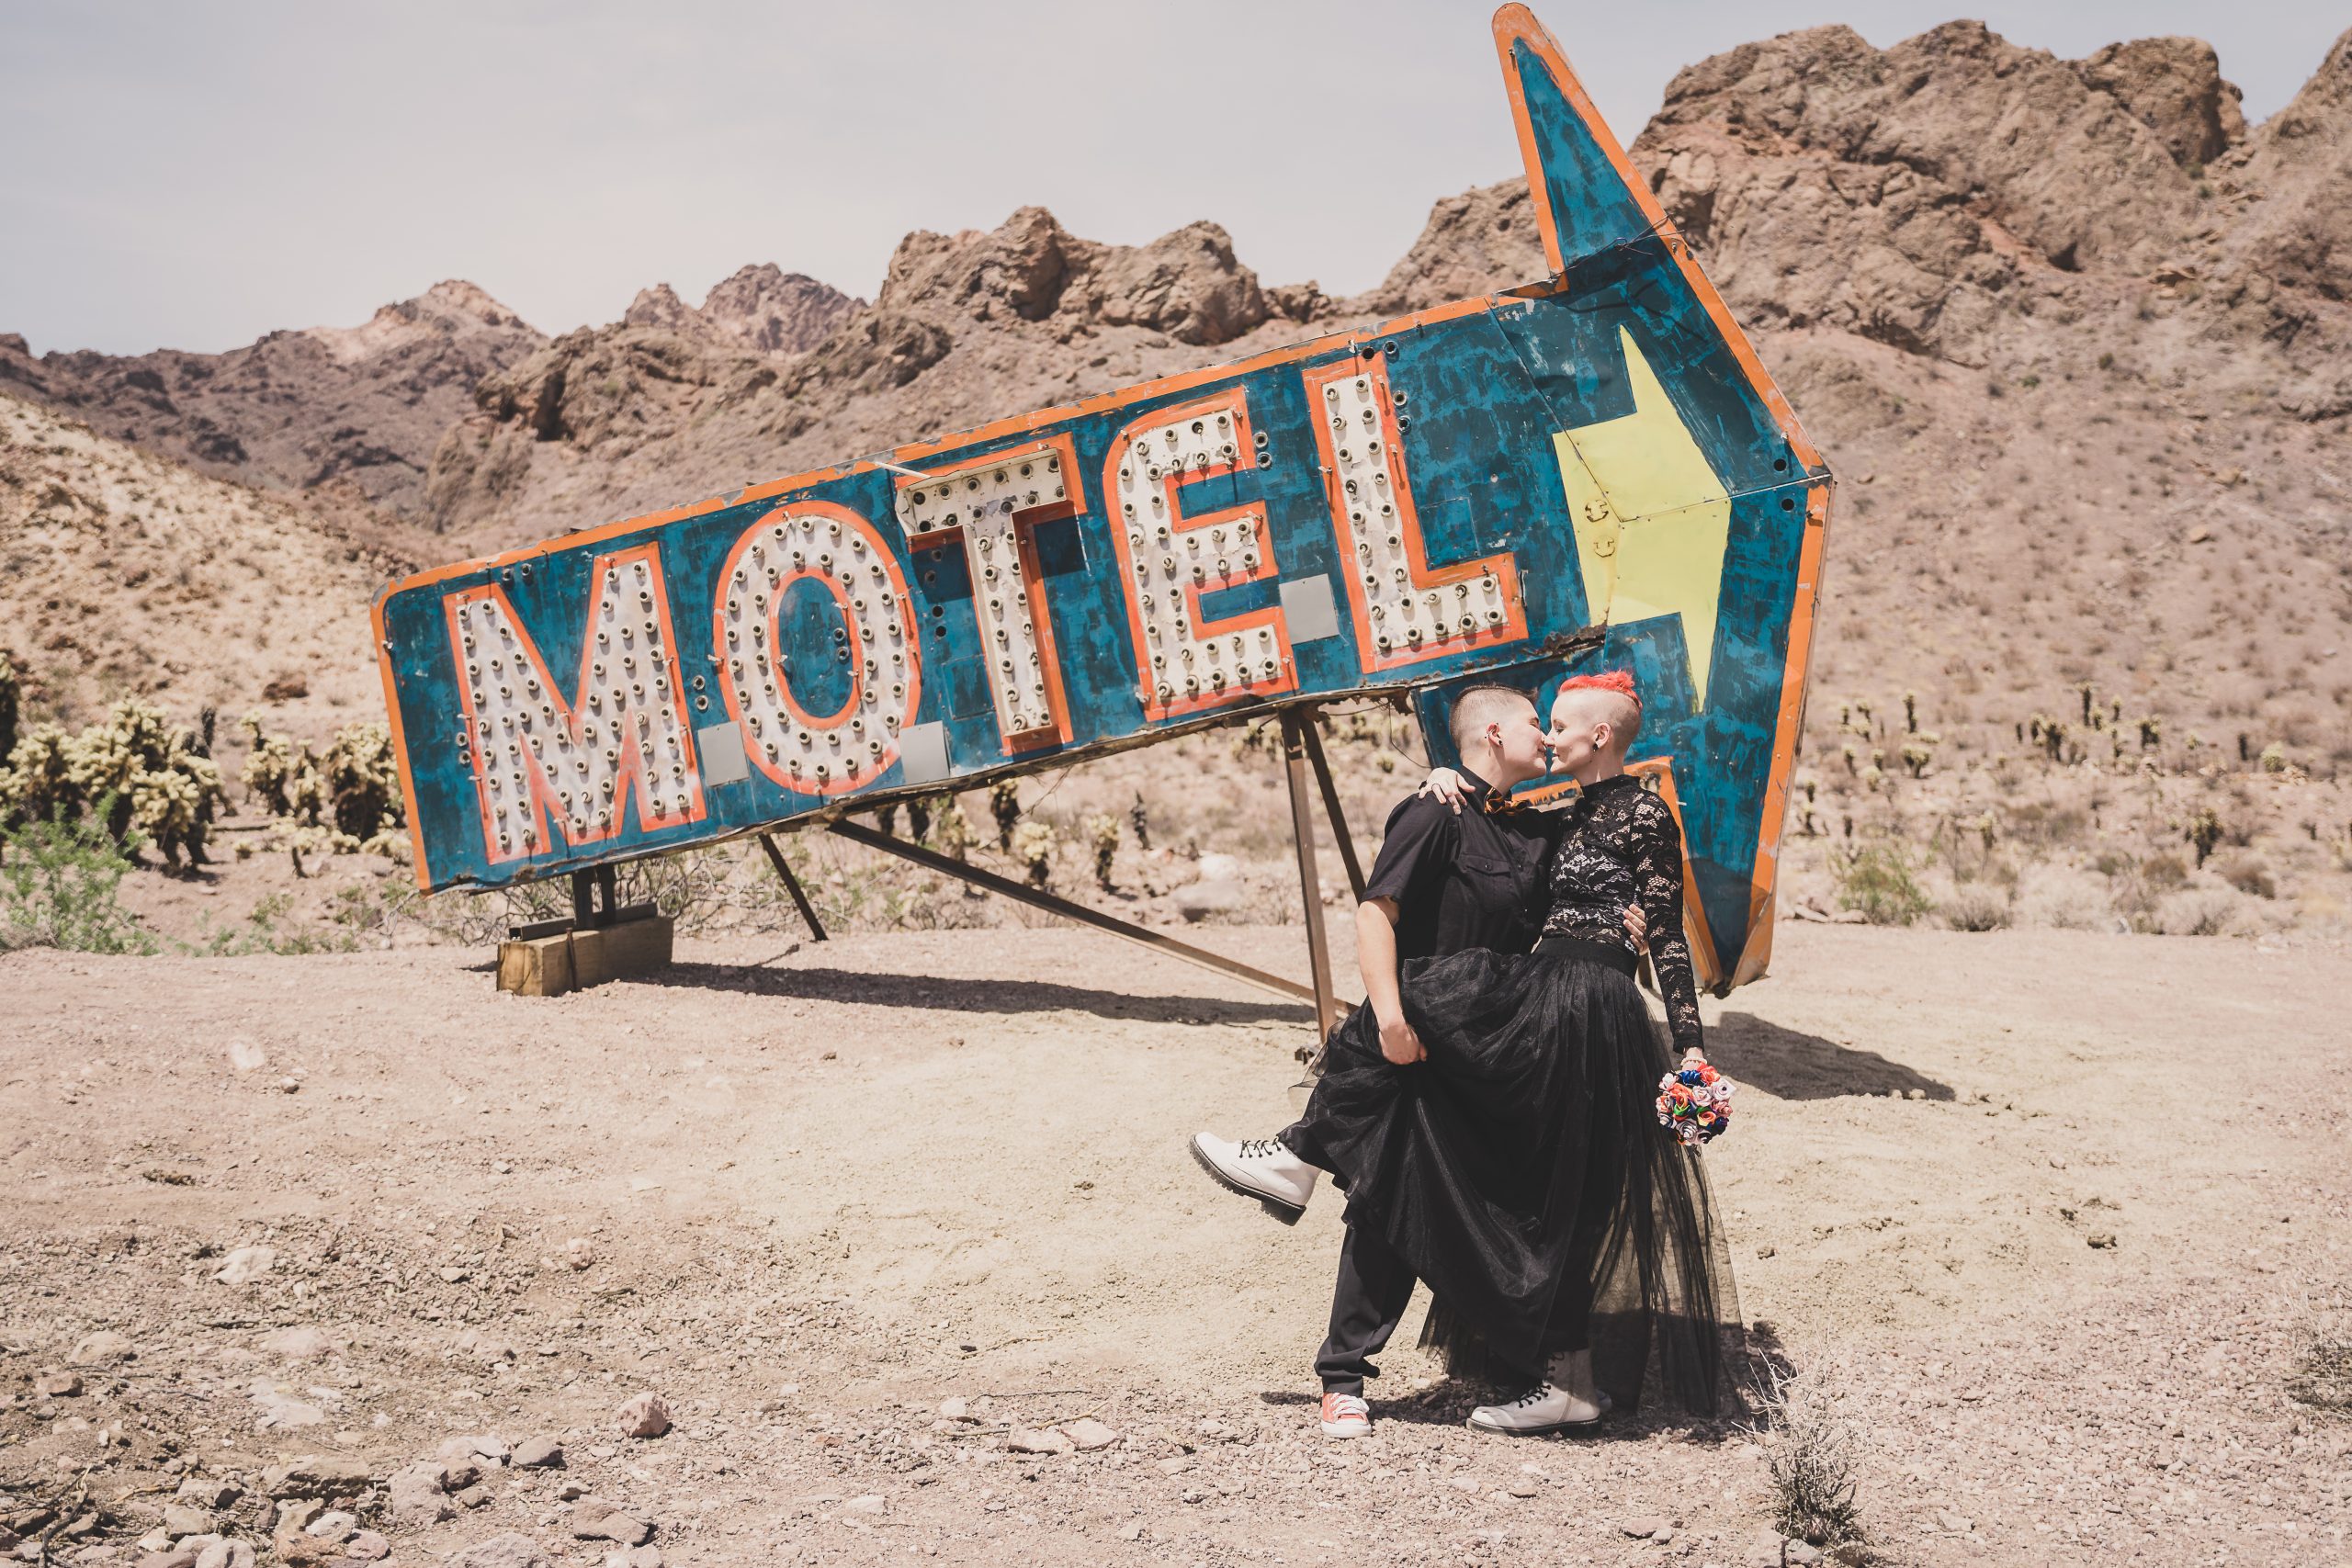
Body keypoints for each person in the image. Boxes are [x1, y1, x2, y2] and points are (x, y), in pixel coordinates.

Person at [1189, 682, 1660, 1439]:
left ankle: (1298, 1156)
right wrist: (1390, 1019)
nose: (1546, 735)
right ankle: (1344, 1378)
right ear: (1495, 735)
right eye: (1534, 722)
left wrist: (1625, 918)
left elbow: (1602, 856)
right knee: (1387, 1198)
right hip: (1416, 1041)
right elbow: (1375, 914)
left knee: (1494, 1208)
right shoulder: (1433, 814)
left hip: (1494, 1049)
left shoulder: (1535, 832)